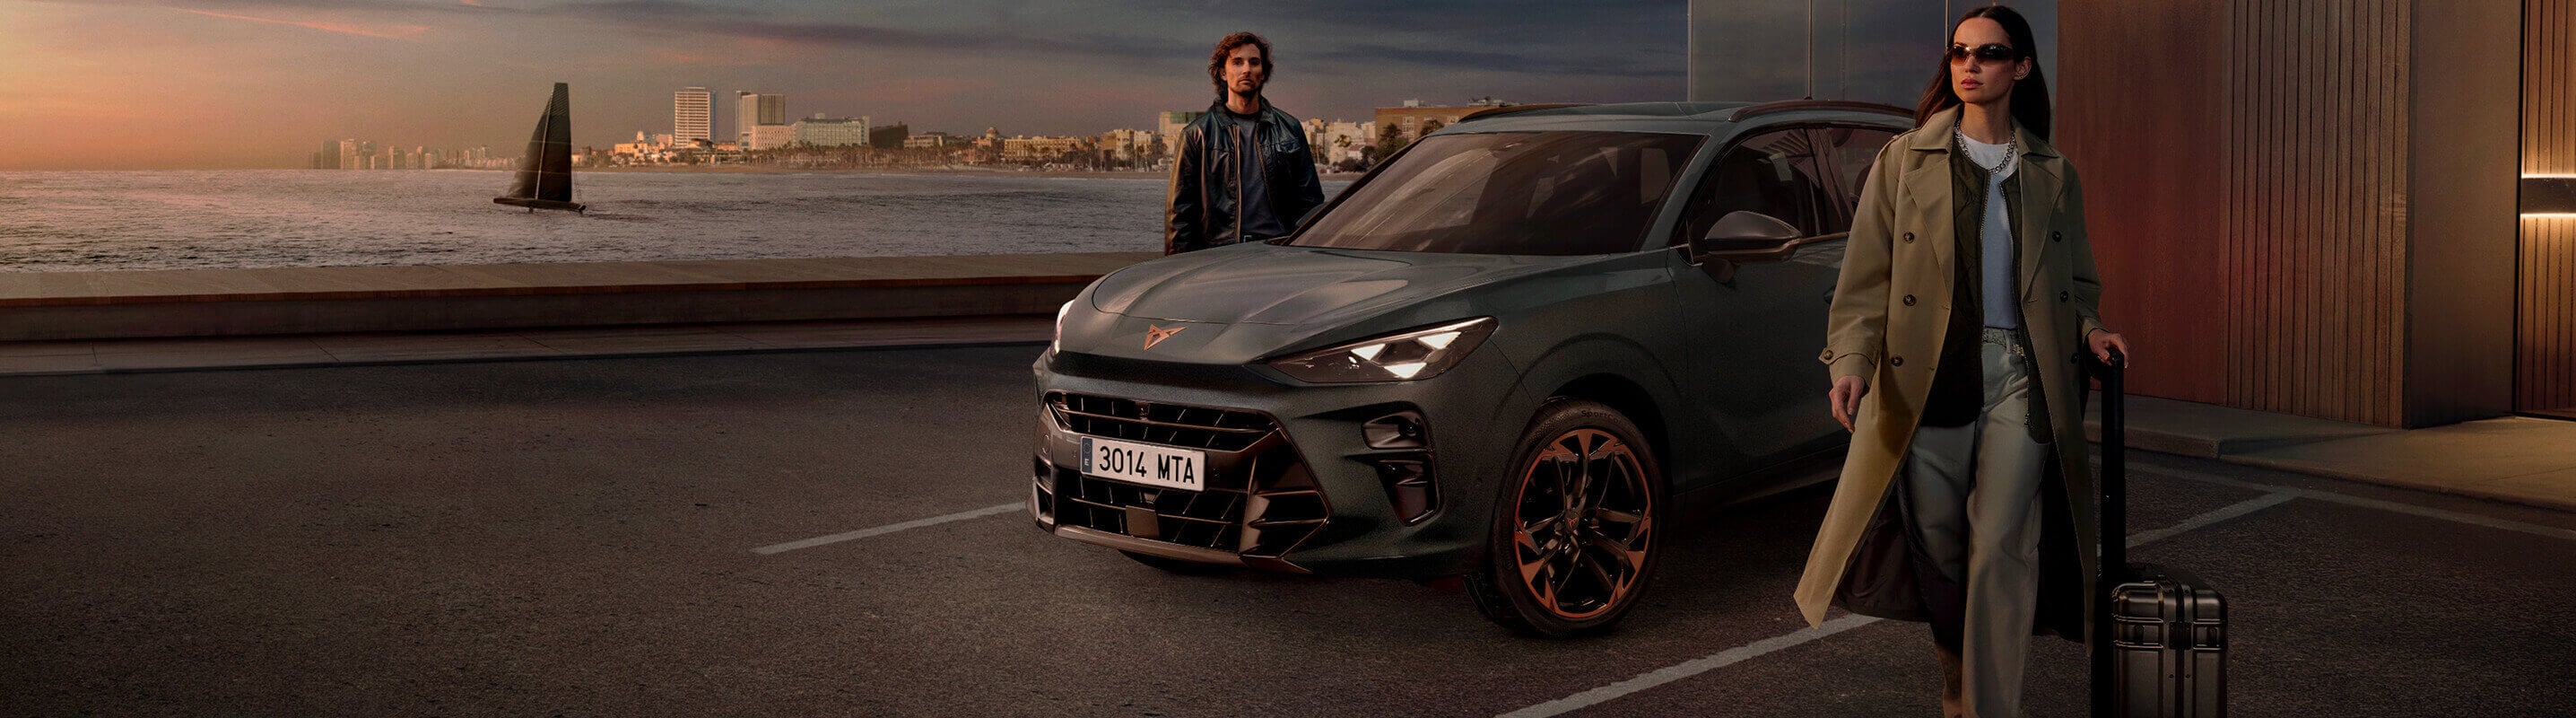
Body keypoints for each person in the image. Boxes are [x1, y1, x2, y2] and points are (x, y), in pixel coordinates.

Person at [1791, 5, 2133, 717]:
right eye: (1959, 53)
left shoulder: (2052, 173)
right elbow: (1864, 280)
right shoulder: (1903, 160)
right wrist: (1851, 361)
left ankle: (1986, 709)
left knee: (2001, 546)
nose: (1970, 65)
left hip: (2023, 374)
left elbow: (2076, 282)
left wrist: (2091, 331)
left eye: (1989, 53)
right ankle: (1958, 677)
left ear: (2022, 66)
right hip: (1928, 377)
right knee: (1939, 551)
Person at [1164, 31, 1325, 255]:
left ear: (1263, 73)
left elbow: (1311, 205)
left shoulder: (1290, 129)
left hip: (1279, 252)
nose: (1246, 69)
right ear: (1222, 72)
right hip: (1220, 255)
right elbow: (1179, 216)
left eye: (1254, 62)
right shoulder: (1196, 134)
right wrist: (1177, 271)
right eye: (1237, 62)